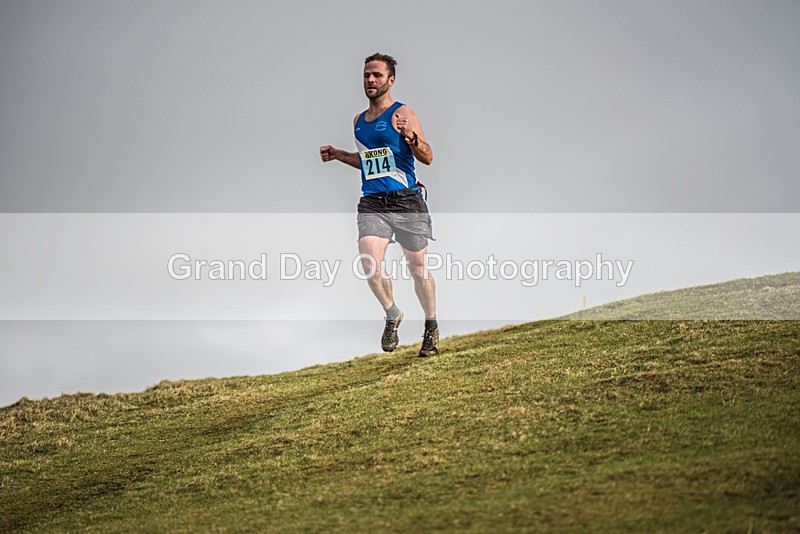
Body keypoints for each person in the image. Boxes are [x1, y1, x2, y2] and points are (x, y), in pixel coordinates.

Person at [320, 52, 439, 357]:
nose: (370, 80)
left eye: (377, 76)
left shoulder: (403, 113)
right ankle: (392, 313)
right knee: (369, 261)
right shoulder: (358, 122)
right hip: (373, 202)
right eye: (366, 76)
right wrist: (338, 154)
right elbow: (367, 161)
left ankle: (431, 326)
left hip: (407, 200)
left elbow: (427, 156)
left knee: (417, 268)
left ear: (390, 80)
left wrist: (410, 136)